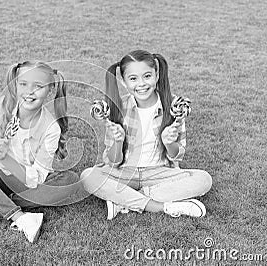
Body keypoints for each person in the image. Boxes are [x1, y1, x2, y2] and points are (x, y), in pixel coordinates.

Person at [0, 61, 85, 243]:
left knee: (71, 180)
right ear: (16, 85)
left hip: (24, 185)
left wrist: (8, 160)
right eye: (23, 84)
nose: (30, 92)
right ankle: (20, 217)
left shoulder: (51, 128)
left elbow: (37, 178)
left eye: (38, 86)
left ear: (49, 90)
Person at [80, 50, 212, 220]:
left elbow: (177, 155)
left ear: (156, 75)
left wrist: (169, 142)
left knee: (203, 179)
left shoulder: (173, 107)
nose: (141, 84)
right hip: (124, 172)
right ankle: (159, 206)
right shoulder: (117, 108)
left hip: (159, 173)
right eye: (133, 78)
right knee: (88, 176)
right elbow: (112, 161)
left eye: (147, 76)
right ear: (123, 81)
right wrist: (118, 142)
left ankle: (123, 200)